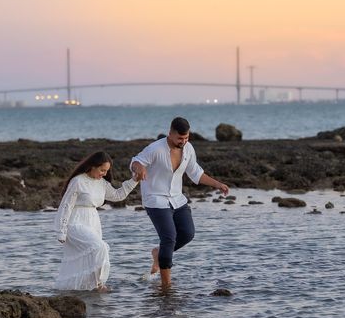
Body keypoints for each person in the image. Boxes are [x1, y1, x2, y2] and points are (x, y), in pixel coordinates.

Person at [131, 117, 229, 289]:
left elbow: (196, 174)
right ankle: (166, 286)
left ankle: (158, 254)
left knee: (188, 234)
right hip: (156, 199)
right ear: (170, 133)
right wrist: (139, 168)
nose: (183, 142)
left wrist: (218, 184)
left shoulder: (189, 149)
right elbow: (136, 161)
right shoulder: (155, 148)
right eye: (179, 139)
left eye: (186, 138)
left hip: (177, 199)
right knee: (169, 238)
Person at [54, 151, 140, 292]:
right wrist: (61, 231)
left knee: (93, 255)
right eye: (102, 170)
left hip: (93, 222)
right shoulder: (78, 181)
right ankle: (99, 285)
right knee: (101, 248)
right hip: (75, 222)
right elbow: (66, 206)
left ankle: (88, 288)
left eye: (106, 171)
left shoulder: (102, 183)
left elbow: (118, 195)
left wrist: (135, 180)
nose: (104, 174)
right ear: (92, 166)